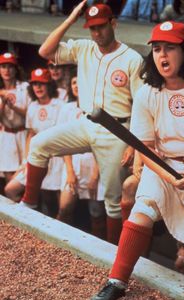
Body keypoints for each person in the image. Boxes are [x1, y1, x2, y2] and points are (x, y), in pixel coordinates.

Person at [89, 21, 184, 300]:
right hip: (164, 166)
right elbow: (146, 149)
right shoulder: (147, 92)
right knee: (141, 212)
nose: (162, 55)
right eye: (157, 49)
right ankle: (116, 281)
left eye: (169, 48)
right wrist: (169, 177)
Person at [20, 1, 143, 244]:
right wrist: (70, 19)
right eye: (92, 28)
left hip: (117, 130)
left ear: (113, 24)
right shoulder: (85, 47)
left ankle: (113, 254)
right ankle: (29, 204)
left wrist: (134, 145)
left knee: (112, 200)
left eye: (101, 27)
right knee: (39, 145)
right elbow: (45, 52)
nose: (97, 33)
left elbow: (141, 106)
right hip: (86, 123)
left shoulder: (132, 58)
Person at [5, 68, 65, 217]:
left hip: (55, 156)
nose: (38, 87)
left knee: (52, 199)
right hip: (36, 155)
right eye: (35, 84)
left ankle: (55, 230)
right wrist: (25, 160)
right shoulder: (32, 106)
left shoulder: (59, 105)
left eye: (42, 84)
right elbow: (31, 134)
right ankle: (25, 219)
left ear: (49, 85)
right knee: (10, 189)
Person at [56, 69, 107, 238]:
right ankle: (59, 243)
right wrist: (70, 171)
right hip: (73, 162)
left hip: (94, 164)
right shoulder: (67, 109)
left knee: (97, 214)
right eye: (73, 82)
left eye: (80, 82)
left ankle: (97, 252)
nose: (77, 86)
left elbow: (103, 144)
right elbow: (62, 142)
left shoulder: (99, 110)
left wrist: (94, 175)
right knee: (65, 207)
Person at [0, 52, 30, 184]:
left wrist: (13, 107)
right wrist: (3, 102)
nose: (7, 70)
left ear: (15, 69)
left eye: (10, 67)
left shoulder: (25, 87)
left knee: (27, 175)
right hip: (7, 134)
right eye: (3, 66)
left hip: (24, 133)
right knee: (9, 177)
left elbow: (31, 115)